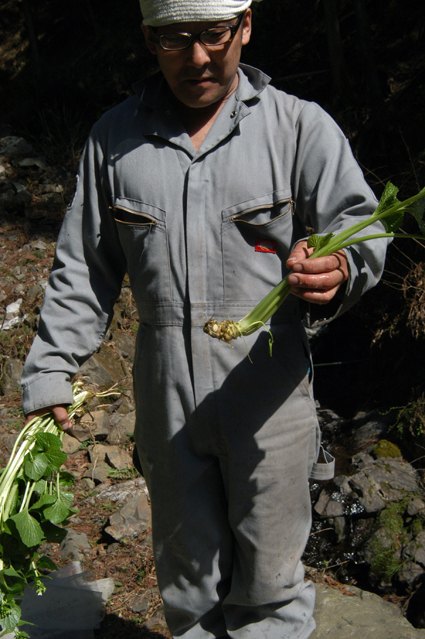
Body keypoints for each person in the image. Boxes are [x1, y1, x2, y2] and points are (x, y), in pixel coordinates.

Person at [21, 1, 389, 637]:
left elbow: (361, 230)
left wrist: (340, 269)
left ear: (245, 26)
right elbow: (84, 267)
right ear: (148, 38)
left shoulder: (298, 128)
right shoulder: (114, 140)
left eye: (213, 35)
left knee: (272, 584)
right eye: (174, 40)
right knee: (188, 582)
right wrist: (53, 368)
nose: (196, 58)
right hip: (165, 401)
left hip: (268, 398)